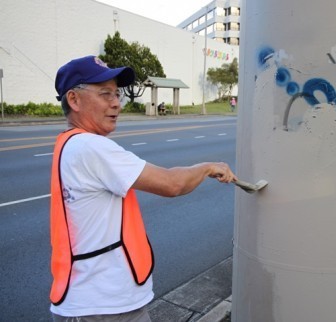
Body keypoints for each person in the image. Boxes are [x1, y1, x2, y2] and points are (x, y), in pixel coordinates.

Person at [50, 55, 237, 322]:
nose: (115, 103)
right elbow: (172, 184)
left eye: (117, 94)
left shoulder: (70, 144)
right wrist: (209, 167)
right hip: (102, 307)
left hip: (94, 302)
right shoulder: (90, 146)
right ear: (74, 99)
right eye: (105, 94)